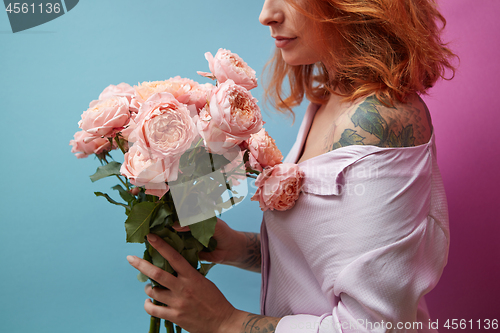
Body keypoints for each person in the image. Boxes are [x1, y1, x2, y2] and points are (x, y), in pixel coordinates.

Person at [126, 0, 456, 332]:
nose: (266, 15)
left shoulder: (376, 122)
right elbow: (332, 262)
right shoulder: (331, 101)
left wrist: (225, 321)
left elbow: (374, 327)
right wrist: (240, 248)